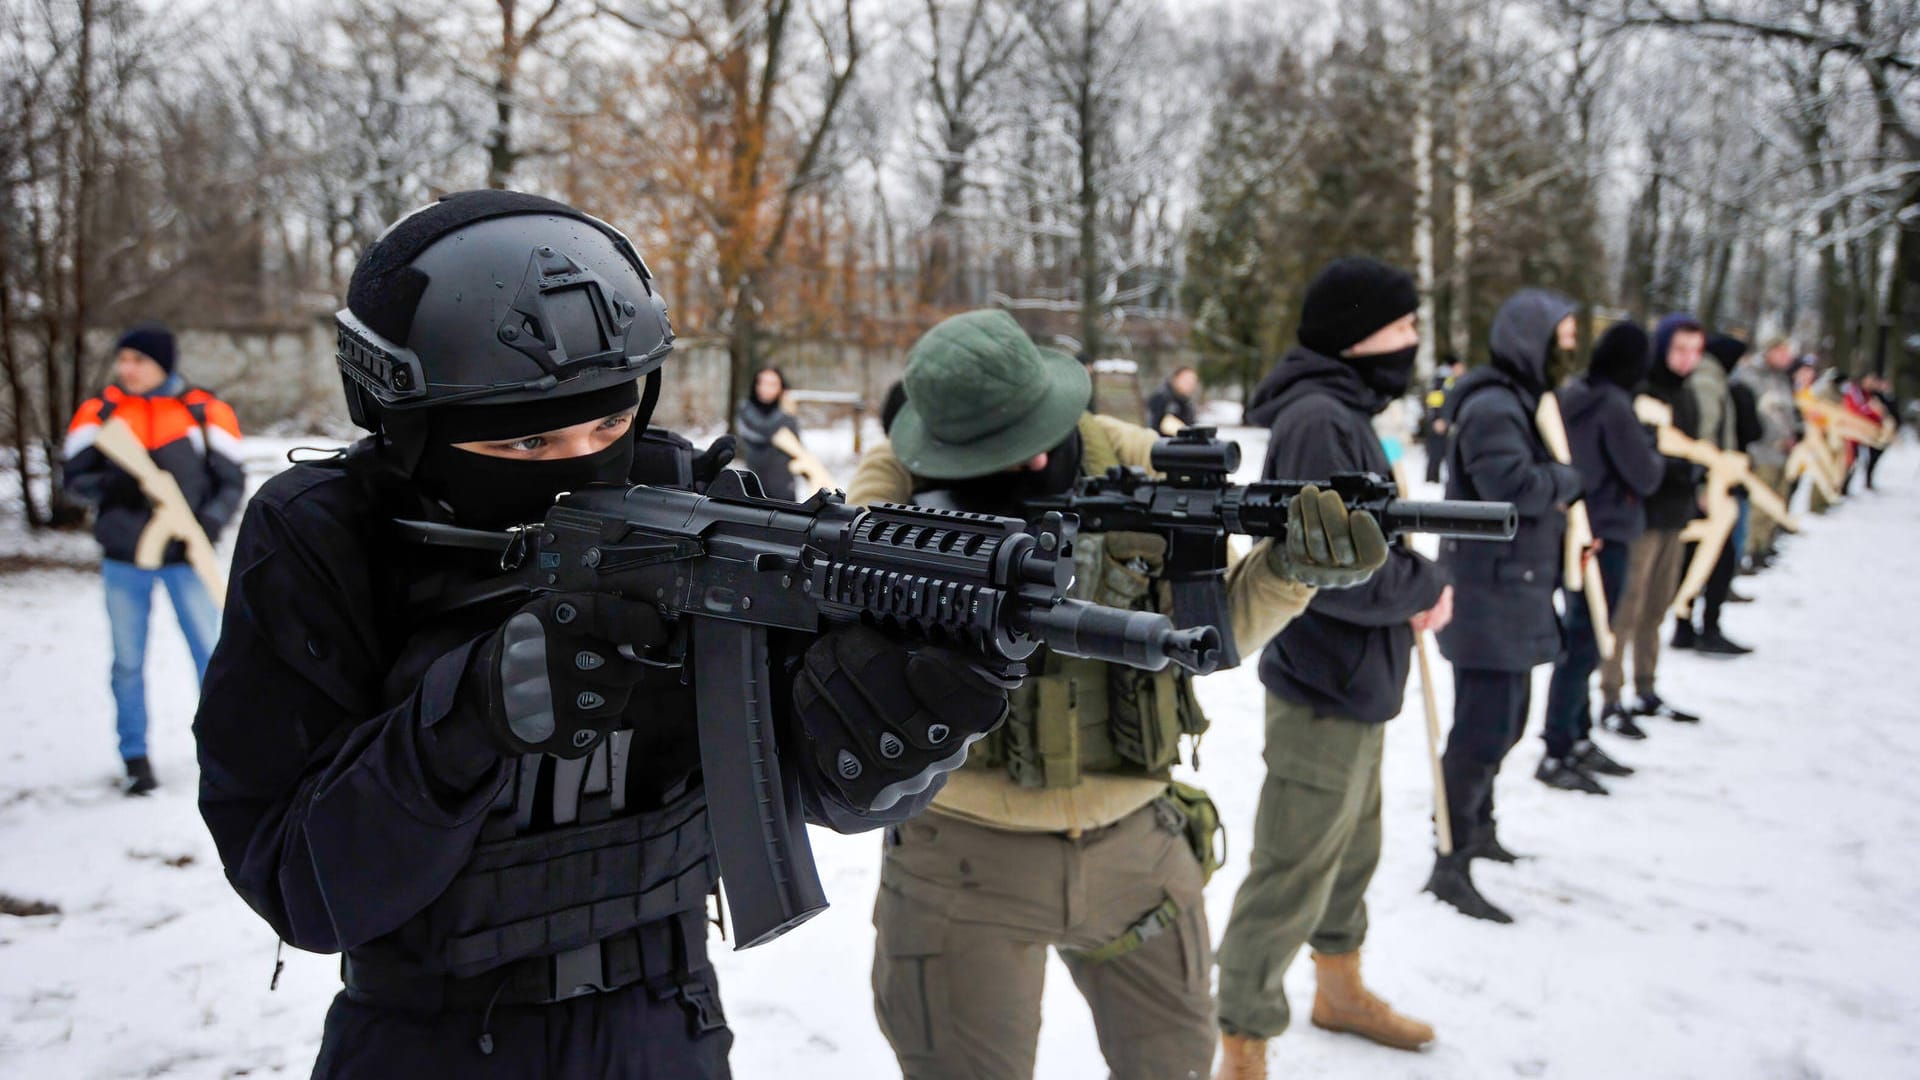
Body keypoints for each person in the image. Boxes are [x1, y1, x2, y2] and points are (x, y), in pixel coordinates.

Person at [193, 192, 1012, 1078]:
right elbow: (298, 886)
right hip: (425, 1035)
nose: (584, 461)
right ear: (409, 428)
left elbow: (813, 783)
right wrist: (466, 719)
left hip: (664, 1022)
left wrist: (893, 741)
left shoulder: (696, 508)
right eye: (526, 445)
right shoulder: (330, 537)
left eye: (612, 422)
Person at [846, 308, 1387, 1080]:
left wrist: (1291, 569)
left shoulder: (1134, 461)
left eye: (1040, 433)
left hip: (1138, 849)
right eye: (1002, 450)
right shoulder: (892, 485)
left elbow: (1216, 630)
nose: (1034, 463)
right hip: (961, 863)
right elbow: (843, 623)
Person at [1214, 257, 1452, 1079]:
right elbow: (1330, 571)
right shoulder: (1319, 420)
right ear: (1360, 334)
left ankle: (1339, 989)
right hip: (1324, 681)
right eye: (1404, 326)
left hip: (1361, 682)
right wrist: (1424, 584)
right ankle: (1242, 1038)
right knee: (1294, 866)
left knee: (1350, 853)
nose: (1414, 341)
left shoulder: (1348, 410)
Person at [1427, 289, 1585, 924]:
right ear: (1532, 343)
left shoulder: (1516, 401)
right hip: (1488, 591)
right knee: (1483, 728)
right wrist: (1568, 480)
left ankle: (1479, 826)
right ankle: (1450, 857)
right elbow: (1509, 490)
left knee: (1508, 721)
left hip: (1511, 588)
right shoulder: (1495, 408)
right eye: (1561, 340)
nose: (1568, 351)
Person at [63, 321, 245, 795]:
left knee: (212, 657)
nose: (127, 368)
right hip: (125, 558)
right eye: (123, 359)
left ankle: (228, 749)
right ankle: (135, 758)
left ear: (162, 362)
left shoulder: (204, 410)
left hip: (185, 556)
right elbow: (73, 476)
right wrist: (113, 487)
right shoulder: (99, 412)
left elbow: (230, 480)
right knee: (127, 661)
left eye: (137, 359)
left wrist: (207, 522)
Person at [1537, 321, 1664, 796]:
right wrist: (1653, 443)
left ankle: (1576, 733)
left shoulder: (1576, 394)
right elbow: (1644, 474)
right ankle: (1560, 743)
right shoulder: (1615, 406)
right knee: (1586, 640)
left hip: (1579, 526)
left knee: (1583, 637)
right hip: (1605, 530)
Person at [1597, 314, 1708, 738]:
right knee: (1627, 607)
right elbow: (1645, 456)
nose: (1687, 359)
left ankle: (1646, 686)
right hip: (1641, 516)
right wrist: (1683, 467)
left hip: (1674, 517)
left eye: (1695, 351)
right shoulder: (1642, 392)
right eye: (1680, 349)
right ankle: (1611, 693)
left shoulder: (1689, 395)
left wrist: (1694, 475)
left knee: (1658, 605)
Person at [1669, 333, 1751, 656]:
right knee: (1715, 558)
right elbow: (1704, 436)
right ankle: (1702, 627)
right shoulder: (1708, 382)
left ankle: (1688, 626)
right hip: (1710, 485)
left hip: (1713, 480)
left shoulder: (1711, 378)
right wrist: (1707, 485)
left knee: (1703, 557)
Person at [1732, 340, 1800, 571]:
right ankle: (1747, 552)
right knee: (1757, 506)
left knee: (1776, 501)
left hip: (1782, 452)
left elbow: (1788, 412)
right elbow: (1757, 413)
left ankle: (1763, 546)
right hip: (1761, 450)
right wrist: (1771, 436)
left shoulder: (1782, 379)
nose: (1786, 357)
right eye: (1781, 352)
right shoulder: (1752, 377)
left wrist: (1793, 433)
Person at [732, 365, 802, 500]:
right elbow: (763, 432)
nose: (765, 388)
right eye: (762, 382)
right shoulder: (745, 409)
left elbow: (797, 446)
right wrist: (785, 413)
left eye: (772, 384)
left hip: (783, 487)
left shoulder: (787, 413)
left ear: (781, 387)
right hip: (755, 485)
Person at [1420, 355, 1467, 483]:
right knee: (1436, 452)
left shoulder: (1452, 380)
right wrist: (1437, 419)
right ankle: (1431, 479)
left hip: (1446, 422)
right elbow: (1435, 401)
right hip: (1439, 422)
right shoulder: (1442, 380)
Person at [1145, 365, 1201, 434]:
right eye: (1186, 380)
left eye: (1193, 381)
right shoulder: (1161, 399)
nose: (1190, 384)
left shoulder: (1187, 403)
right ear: (1176, 379)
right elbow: (1154, 426)